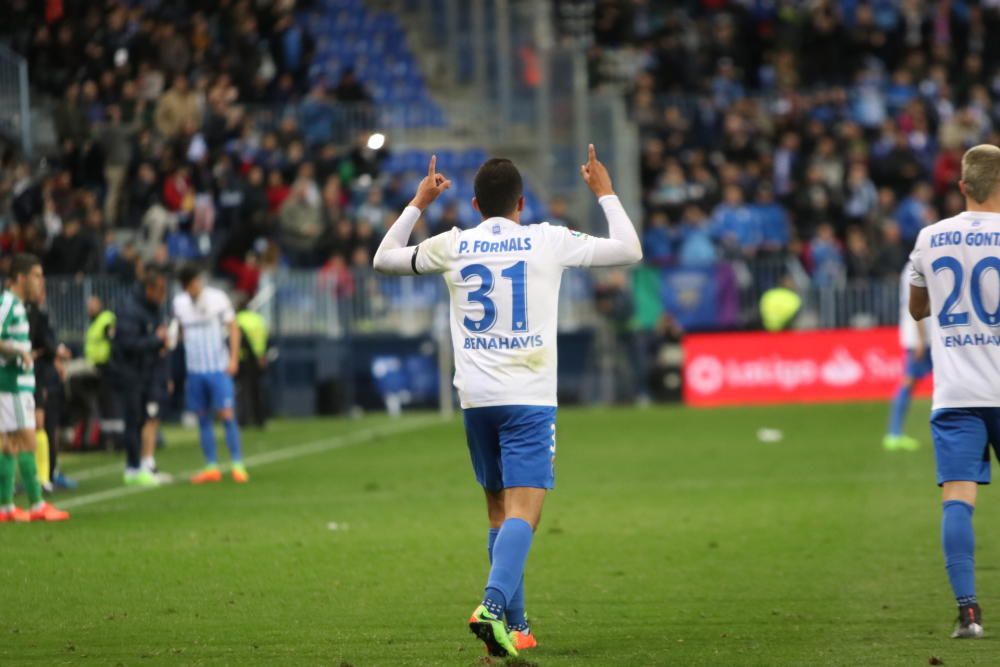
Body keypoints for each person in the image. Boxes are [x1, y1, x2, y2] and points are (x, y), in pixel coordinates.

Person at [372, 146, 642, 656]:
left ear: (474, 205)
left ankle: (515, 629)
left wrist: (417, 203)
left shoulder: (453, 244)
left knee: (499, 509)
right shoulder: (547, 239)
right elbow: (629, 250)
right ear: (522, 203)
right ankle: (492, 606)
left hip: (476, 399)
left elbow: (383, 260)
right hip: (528, 397)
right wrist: (603, 191)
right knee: (526, 512)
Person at [908, 144, 1000, 639]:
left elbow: (918, 309)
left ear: (963, 186)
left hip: (958, 393)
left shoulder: (929, 237)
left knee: (958, 499)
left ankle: (968, 614)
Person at [0, 254, 70, 522]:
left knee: (9, 445)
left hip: (14, 383)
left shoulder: (16, 305)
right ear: (20, 278)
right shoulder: (9, 304)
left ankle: (5, 507)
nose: (41, 281)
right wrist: (21, 351)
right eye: (36, 276)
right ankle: (37, 505)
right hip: (13, 383)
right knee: (27, 442)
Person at [173, 267, 247, 483]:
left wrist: (233, 359)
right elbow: (178, 332)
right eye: (190, 285)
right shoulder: (179, 304)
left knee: (226, 414)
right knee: (203, 417)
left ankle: (237, 464)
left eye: (196, 282)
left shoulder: (217, 298)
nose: (194, 287)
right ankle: (211, 466)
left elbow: (233, 328)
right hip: (195, 370)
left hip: (218, 367)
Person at [109, 270, 170, 486]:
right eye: (160, 290)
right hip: (130, 373)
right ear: (149, 290)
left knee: (144, 419)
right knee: (133, 420)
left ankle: (144, 466)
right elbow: (128, 344)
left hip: (146, 371)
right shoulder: (130, 310)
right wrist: (156, 340)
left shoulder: (152, 308)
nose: (164, 295)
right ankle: (132, 468)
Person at [26, 273, 76, 490]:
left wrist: (54, 356)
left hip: (44, 374)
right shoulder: (32, 314)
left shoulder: (40, 314)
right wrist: (55, 352)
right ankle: (42, 476)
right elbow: (43, 344)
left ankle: (47, 474)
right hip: (37, 376)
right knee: (40, 425)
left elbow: (45, 345)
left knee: (45, 425)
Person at [884, 260, 931, 452]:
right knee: (909, 381)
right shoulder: (919, 265)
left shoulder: (911, 265)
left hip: (924, 336)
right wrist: (921, 338)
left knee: (910, 382)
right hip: (921, 337)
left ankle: (894, 433)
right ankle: (893, 433)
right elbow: (918, 304)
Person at [84, 296, 120, 449]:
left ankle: (116, 439)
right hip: (95, 369)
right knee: (102, 405)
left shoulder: (106, 319)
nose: (90, 309)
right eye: (88, 306)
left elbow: (113, 339)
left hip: (107, 367)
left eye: (92, 305)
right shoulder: (93, 323)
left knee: (110, 404)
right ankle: (105, 439)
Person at [235, 295, 269, 428]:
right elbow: (264, 337)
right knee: (257, 390)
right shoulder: (258, 319)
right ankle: (260, 419)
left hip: (243, 359)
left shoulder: (238, 320)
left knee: (243, 391)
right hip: (259, 358)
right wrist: (261, 354)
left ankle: (243, 420)